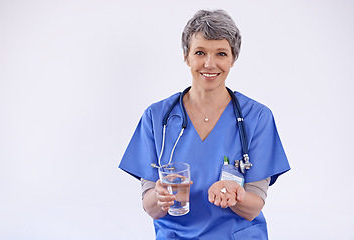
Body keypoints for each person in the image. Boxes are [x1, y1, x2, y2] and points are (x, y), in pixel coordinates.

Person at [119, 9, 290, 240]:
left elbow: (252, 208)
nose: (210, 64)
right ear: (186, 56)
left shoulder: (257, 118)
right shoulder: (156, 117)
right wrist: (160, 197)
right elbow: (151, 208)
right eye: (200, 52)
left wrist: (236, 195)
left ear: (233, 58)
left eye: (221, 53)